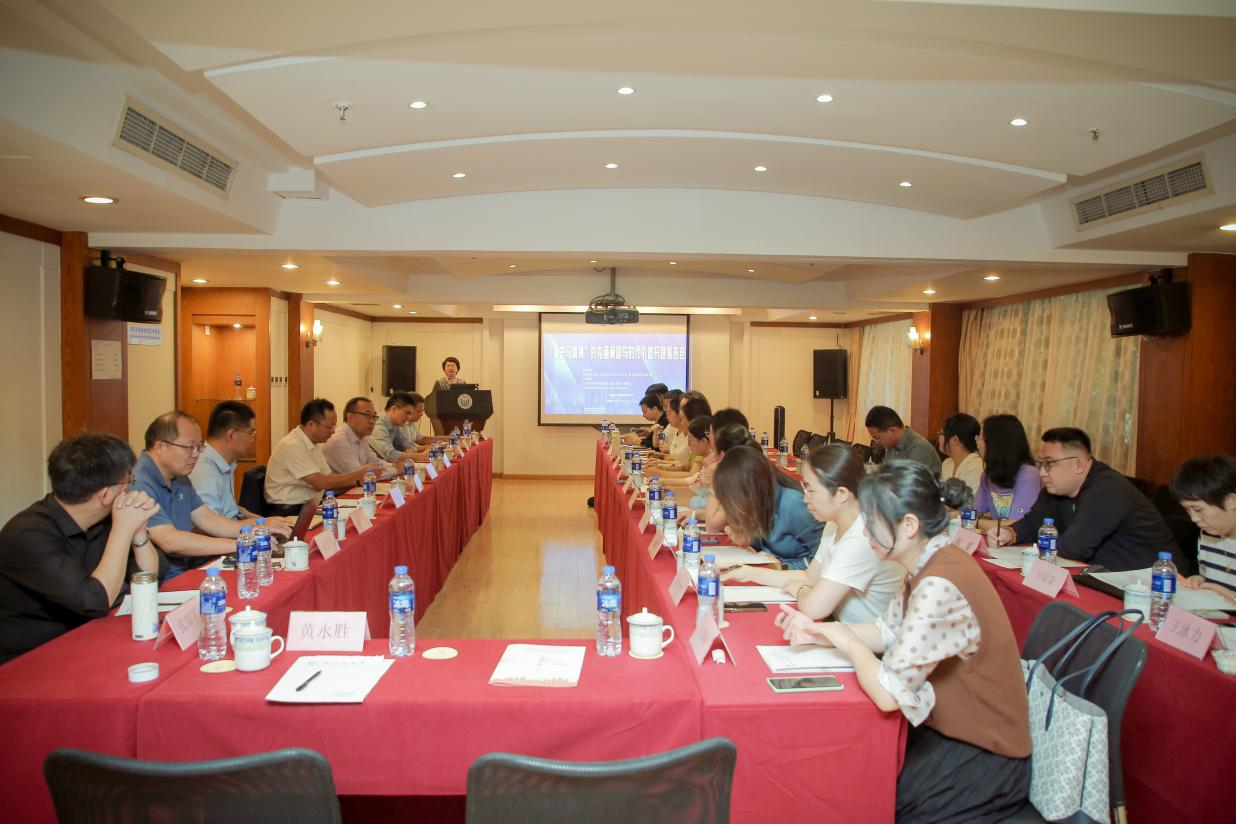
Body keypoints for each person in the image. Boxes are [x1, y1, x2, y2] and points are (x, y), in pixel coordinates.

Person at [779, 461, 1031, 822]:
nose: (864, 530)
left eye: (872, 521)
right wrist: (822, 635)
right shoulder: (929, 560)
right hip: (945, 732)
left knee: (870, 797)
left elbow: (888, 693)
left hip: (982, 756)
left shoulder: (939, 582)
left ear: (909, 526)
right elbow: (887, 631)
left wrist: (847, 641)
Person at [0, 434, 162, 663]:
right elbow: (95, 600)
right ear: (105, 494)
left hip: (92, 640)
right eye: (128, 481)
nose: (128, 489)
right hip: (33, 660)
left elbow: (147, 578)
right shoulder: (27, 535)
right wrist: (123, 530)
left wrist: (138, 531)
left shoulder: (104, 520)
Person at [724, 444, 904, 622]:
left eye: (810, 490)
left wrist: (800, 590)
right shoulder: (834, 522)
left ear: (841, 494)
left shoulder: (863, 535)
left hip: (858, 634)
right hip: (837, 624)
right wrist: (747, 572)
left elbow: (814, 607)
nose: (805, 498)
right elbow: (809, 577)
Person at [992, 427, 1176, 571]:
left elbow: (1072, 549)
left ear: (1079, 465)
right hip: (1105, 576)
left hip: (1154, 585)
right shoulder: (1057, 487)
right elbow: (1034, 522)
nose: (1042, 472)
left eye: (1049, 464)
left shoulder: (1107, 489)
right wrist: (1009, 534)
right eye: (1040, 463)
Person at [135, 411, 289, 580]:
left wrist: (254, 532)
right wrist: (240, 544)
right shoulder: (139, 483)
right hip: (160, 581)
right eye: (190, 447)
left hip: (187, 568)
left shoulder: (179, 476)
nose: (196, 455)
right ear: (160, 447)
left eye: (198, 447)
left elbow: (207, 519)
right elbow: (169, 541)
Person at [711, 445, 824, 570]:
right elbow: (763, 543)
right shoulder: (759, 500)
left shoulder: (794, 505)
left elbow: (823, 559)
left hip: (792, 575)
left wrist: (781, 568)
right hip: (767, 570)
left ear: (749, 489)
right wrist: (747, 539)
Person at [189, 402, 294, 532]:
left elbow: (231, 510)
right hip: (223, 540)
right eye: (251, 433)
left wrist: (266, 521)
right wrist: (261, 524)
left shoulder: (224, 463)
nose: (252, 440)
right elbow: (210, 527)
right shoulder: (203, 471)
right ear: (232, 435)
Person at [266, 399, 380, 510]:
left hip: (310, 504)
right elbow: (322, 483)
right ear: (311, 424)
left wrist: (357, 481)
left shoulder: (312, 443)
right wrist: (360, 473)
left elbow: (329, 477)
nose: (333, 431)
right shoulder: (293, 445)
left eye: (334, 426)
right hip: (289, 508)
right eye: (329, 427)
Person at [1170, 454, 1236, 604]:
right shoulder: (1209, 534)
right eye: (1188, 510)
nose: (1194, 519)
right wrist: (1199, 580)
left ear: (1231, 501)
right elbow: (1213, 582)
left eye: (1198, 509)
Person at [973, 414, 1041, 531]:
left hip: (1022, 541)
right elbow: (974, 511)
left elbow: (1018, 524)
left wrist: (977, 522)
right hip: (999, 539)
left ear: (996, 442)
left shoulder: (1029, 475)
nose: (977, 442)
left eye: (981, 437)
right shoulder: (988, 475)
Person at [324, 396, 405, 477]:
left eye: (374, 417)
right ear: (350, 416)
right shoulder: (338, 440)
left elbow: (376, 462)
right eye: (367, 415)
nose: (372, 421)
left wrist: (393, 466)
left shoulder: (361, 438)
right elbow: (361, 476)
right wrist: (395, 470)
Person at [865, 406, 941, 473]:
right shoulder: (891, 447)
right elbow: (886, 473)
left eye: (876, 437)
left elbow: (910, 482)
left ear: (892, 430)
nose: (877, 442)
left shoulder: (919, 448)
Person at [369, 392, 432, 463]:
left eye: (410, 414)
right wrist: (422, 456)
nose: (409, 417)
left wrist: (425, 450)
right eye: (407, 413)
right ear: (394, 409)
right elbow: (389, 455)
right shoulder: (378, 423)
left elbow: (405, 446)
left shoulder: (395, 424)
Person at [938, 413, 982, 494]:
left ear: (955, 440)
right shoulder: (947, 463)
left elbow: (968, 500)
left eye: (941, 434)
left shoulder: (977, 467)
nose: (939, 438)